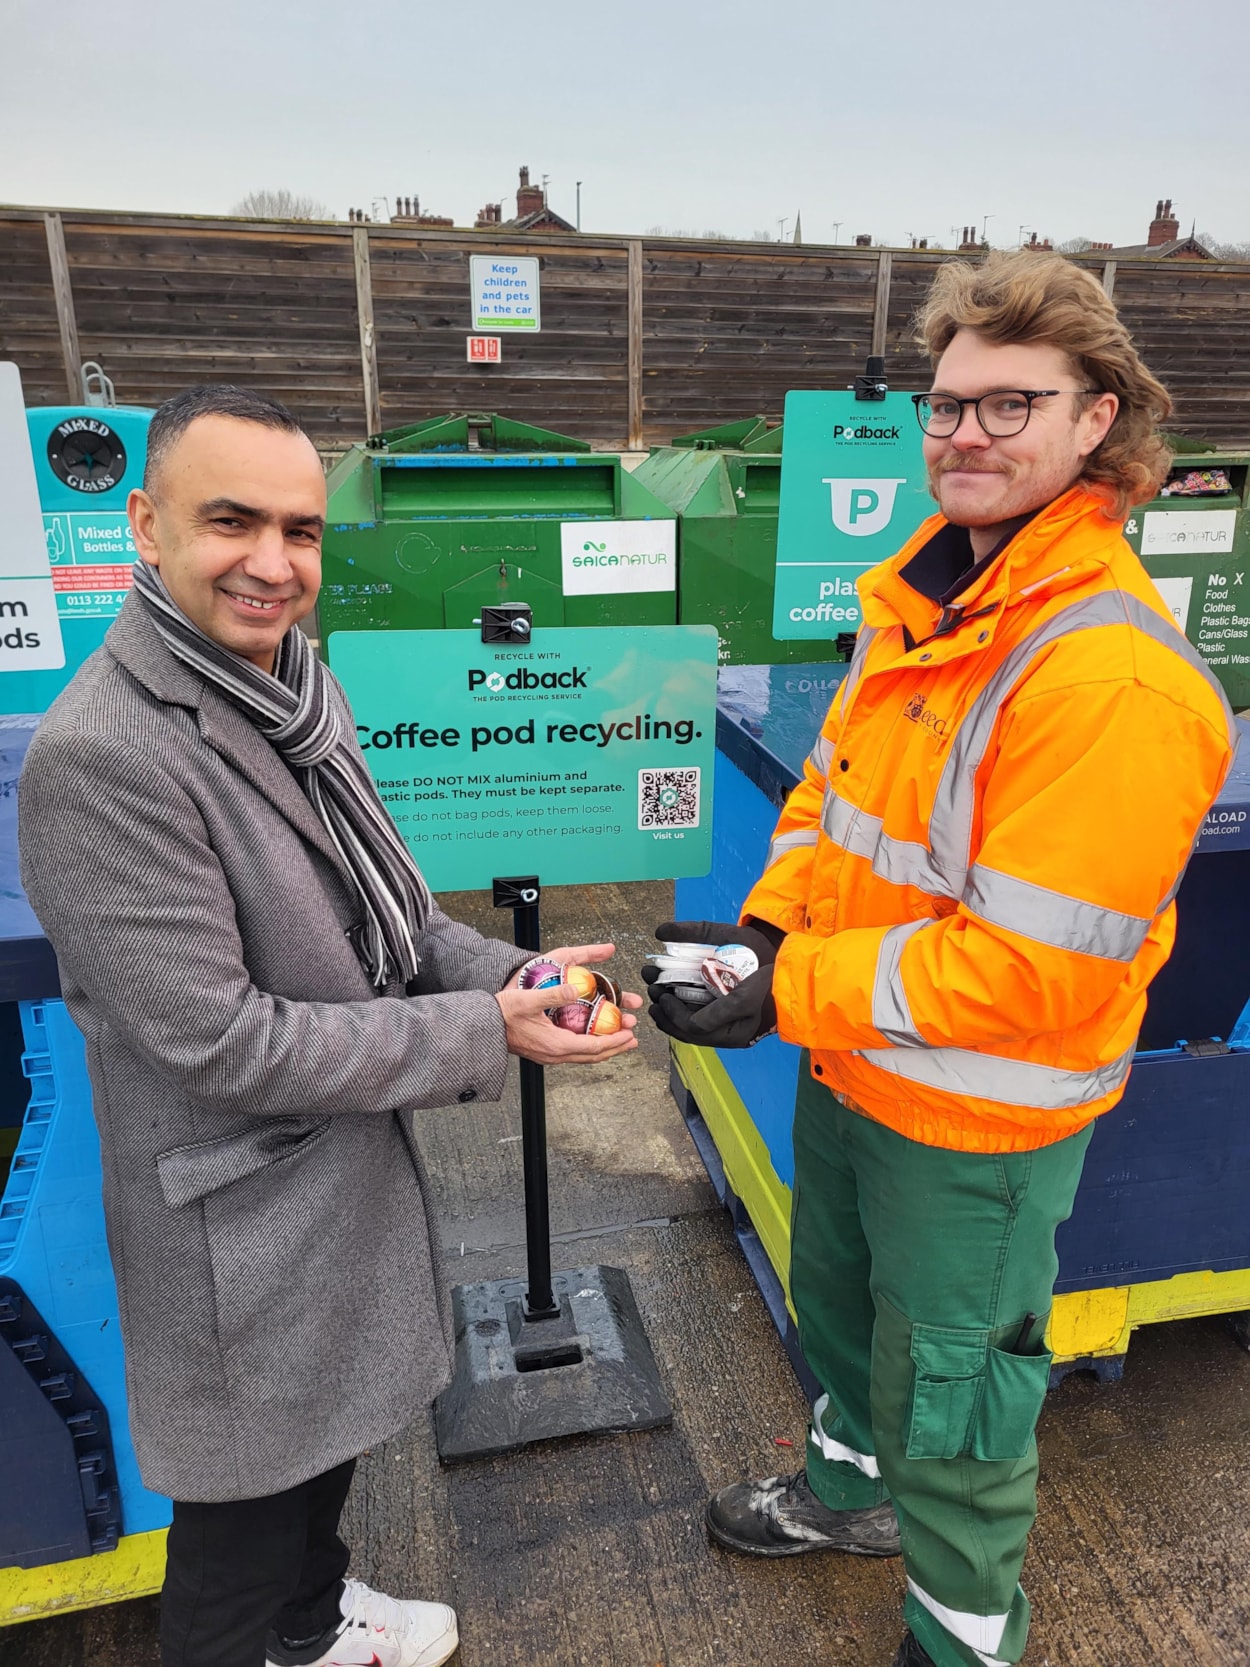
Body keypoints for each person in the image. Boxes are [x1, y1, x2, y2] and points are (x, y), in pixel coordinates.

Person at [647, 252, 1236, 1667]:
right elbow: (826, 805)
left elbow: (1031, 972)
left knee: (956, 1401)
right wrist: (767, 926)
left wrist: (780, 993)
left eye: (1006, 405)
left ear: (1097, 420)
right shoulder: (923, 605)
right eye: (944, 404)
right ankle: (848, 1498)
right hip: (856, 1070)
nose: (961, 433)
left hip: (975, 1117)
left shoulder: (1107, 678)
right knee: (840, 1315)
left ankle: (964, 1635)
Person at [18, 385, 641, 1667]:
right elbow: (219, 1041)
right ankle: (265, 1629)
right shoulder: (107, 754)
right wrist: (487, 1033)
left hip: (333, 1169)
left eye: (299, 530)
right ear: (145, 523)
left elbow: (390, 923)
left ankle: (316, 1621)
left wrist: (513, 982)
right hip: (234, 1207)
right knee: (239, 1522)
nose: (272, 562)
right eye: (230, 521)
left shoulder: (298, 683)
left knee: (325, 1449)